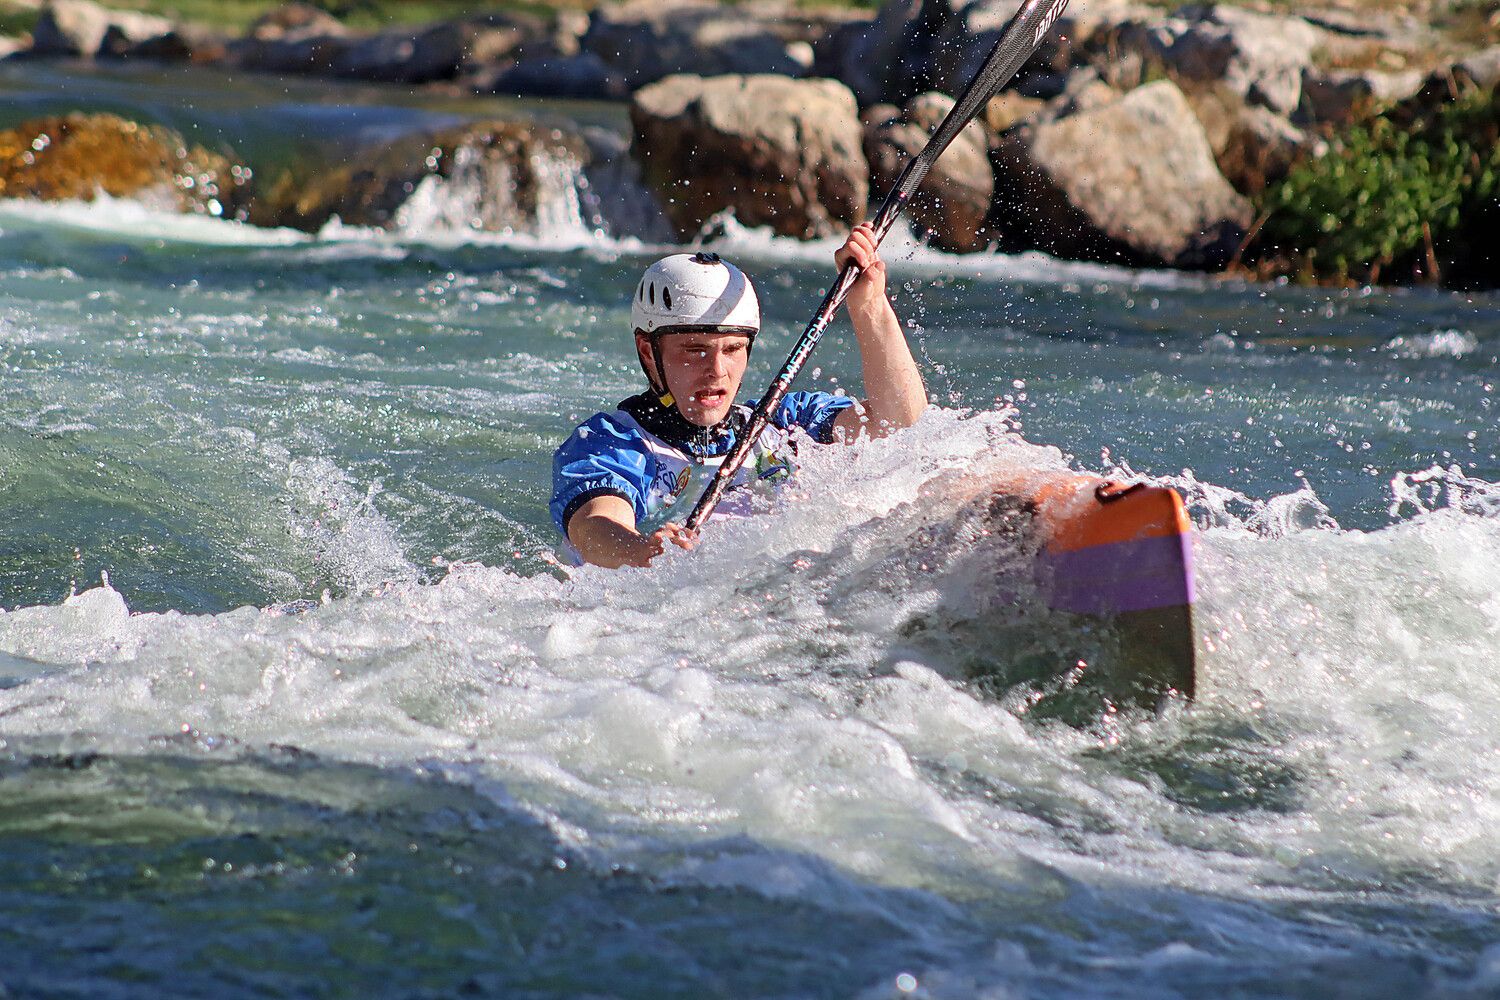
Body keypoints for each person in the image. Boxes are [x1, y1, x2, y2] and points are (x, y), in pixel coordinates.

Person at [550, 223, 927, 568]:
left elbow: (905, 424)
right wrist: (641, 550)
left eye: (732, 349)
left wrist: (869, 306)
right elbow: (593, 527)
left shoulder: (787, 423)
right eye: (695, 350)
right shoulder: (613, 443)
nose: (717, 370)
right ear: (649, 352)